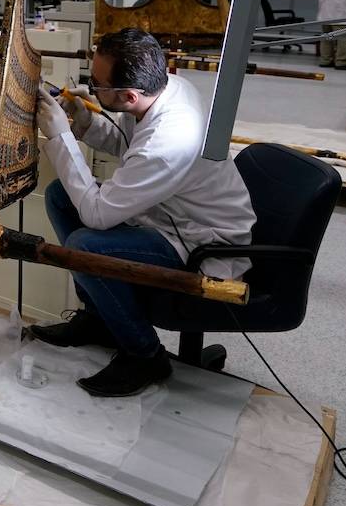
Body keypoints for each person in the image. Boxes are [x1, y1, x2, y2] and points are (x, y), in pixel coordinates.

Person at [30, 28, 256, 397]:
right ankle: (101, 320)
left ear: (129, 95)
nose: (92, 87)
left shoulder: (169, 140)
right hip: (171, 211)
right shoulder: (167, 88)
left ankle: (145, 355)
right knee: (59, 196)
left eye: (98, 84)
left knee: (85, 245)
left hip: (202, 240)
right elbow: (131, 144)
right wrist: (85, 121)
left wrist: (59, 137)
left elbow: (98, 216)